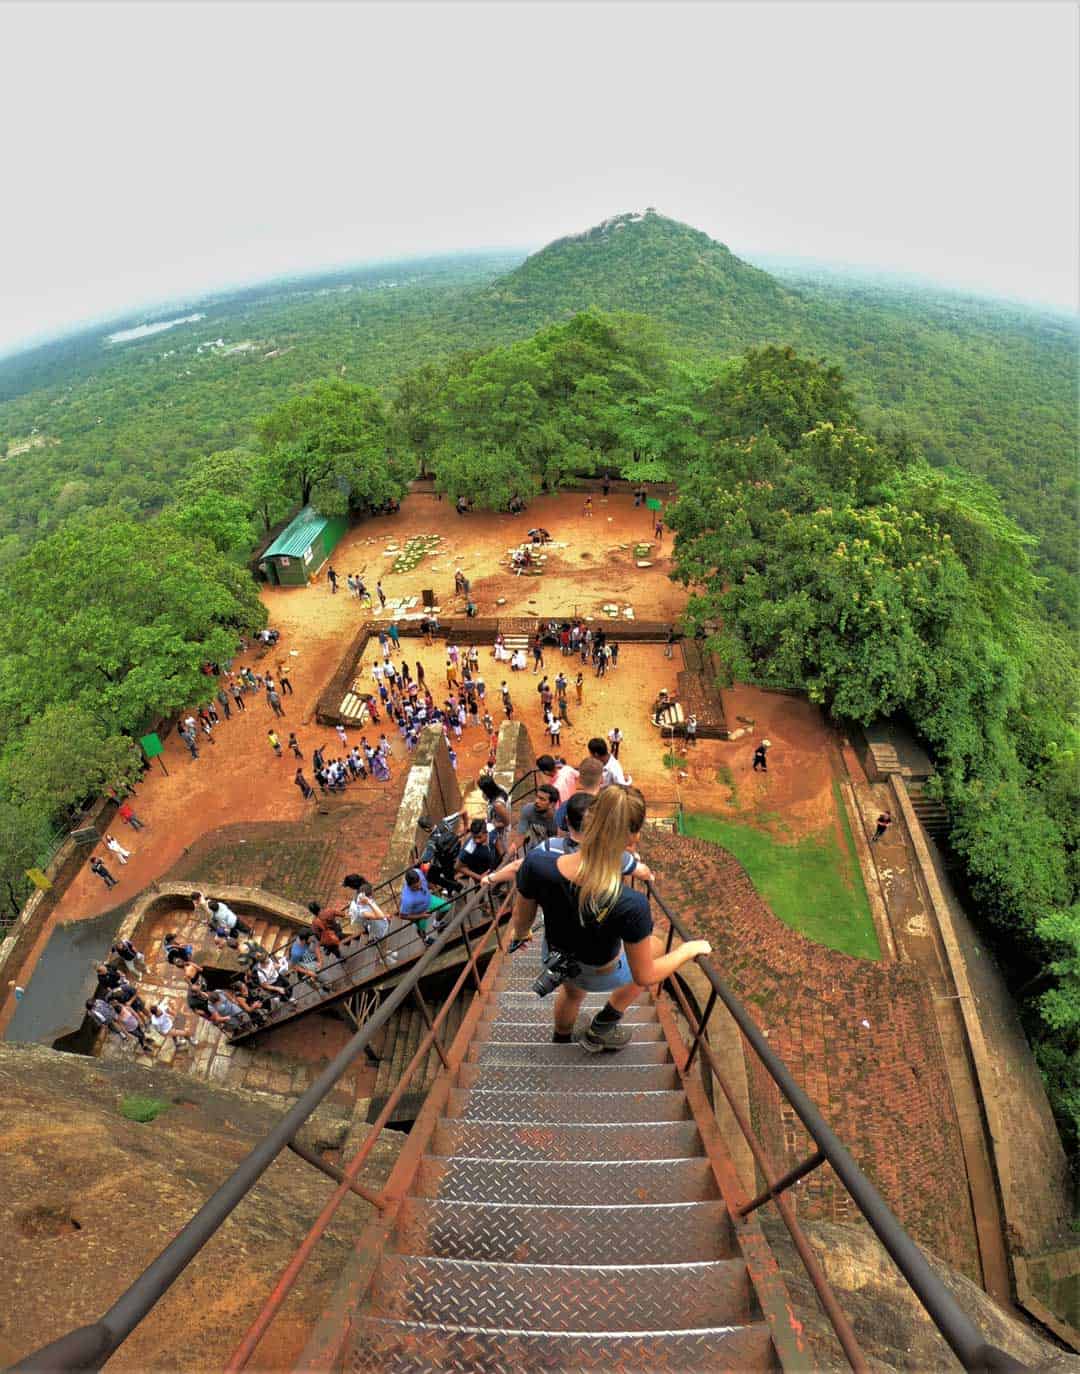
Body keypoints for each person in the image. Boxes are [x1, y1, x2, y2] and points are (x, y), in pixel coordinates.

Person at [510, 786, 710, 1050]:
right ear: (633, 837)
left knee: (571, 992)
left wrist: (522, 934)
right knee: (658, 948)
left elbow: (522, 921)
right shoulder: (632, 904)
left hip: (557, 957)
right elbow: (646, 976)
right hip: (599, 973)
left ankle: (560, 1042)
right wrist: (687, 949)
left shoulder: (536, 863)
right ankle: (602, 1025)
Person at [399, 867, 448, 945]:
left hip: (429, 900)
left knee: (446, 907)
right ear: (409, 886)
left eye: (420, 884)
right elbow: (402, 916)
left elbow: (427, 881)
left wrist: (434, 889)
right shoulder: (407, 899)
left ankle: (436, 923)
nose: (419, 887)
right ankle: (425, 939)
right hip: (419, 912)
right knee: (421, 929)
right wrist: (421, 915)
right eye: (415, 887)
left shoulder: (417, 872)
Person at [512, 783, 560, 852]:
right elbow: (519, 838)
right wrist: (504, 862)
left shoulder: (558, 820)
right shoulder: (528, 809)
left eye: (542, 799)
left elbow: (557, 846)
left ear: (551, 804)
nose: (536, 801)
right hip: (533, 851)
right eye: (537, 797)